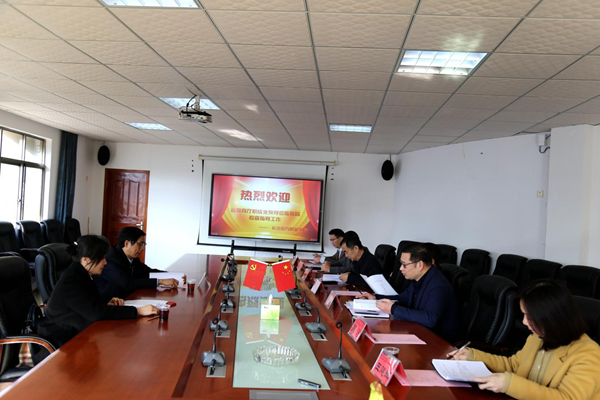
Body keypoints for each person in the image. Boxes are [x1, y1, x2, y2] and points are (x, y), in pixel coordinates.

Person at [447, 279, 600, 400]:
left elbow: (566, 397)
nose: (525, 322)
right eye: (524, 314)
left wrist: (509, 384)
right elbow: (514, 365)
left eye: (530, 316)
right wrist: (473, 356)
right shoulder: (538, 337)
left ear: (552, 317)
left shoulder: (589, 354)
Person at [38, 235, 156, 348]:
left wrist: (105, 305)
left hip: (81, 333)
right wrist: (138, 311)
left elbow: (89, 305)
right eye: (102, 258)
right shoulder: (71, 280)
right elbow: (96, 313)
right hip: (62, 341)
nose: (105, 262)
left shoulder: (83, 274)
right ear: (86, 260)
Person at [358, 243, 459, 341]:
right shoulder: (418, 279)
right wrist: (376, 298)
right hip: (418, 331)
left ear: (420, 265)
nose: (400, 268)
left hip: (437, 341)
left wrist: (393, 309)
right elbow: (402, 298)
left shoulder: (438, 285)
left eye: (404, 265)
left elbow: (430, 319)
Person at [94, 227, 179, 302]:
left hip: (127, 298)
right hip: (109, 303)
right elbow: (127, 283)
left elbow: (147, 272)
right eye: (140, 244)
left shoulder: (132, 258)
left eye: (144, 244)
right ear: (127, 243)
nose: (142, 248)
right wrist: (160, 281)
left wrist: (175, 276)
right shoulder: (110, 259)